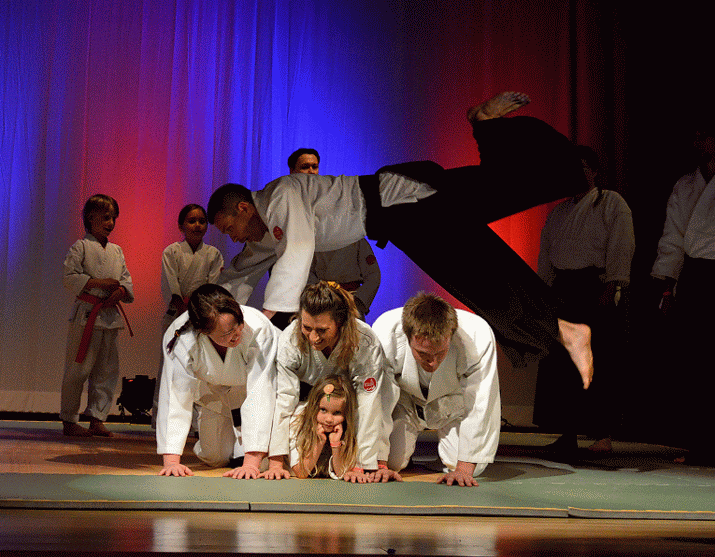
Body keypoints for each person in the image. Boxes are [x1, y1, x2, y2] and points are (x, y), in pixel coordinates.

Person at [208, 91, 594, 391]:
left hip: (400, 201)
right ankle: (485, 124)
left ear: (243, 208)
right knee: (504, 189)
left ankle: (564, 327)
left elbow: (297, 248)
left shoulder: (281, 194)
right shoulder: (262, 234)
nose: (233, 238)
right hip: (404, 211)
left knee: (477, 263)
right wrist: (205, 310)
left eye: (229, 228)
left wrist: (274, 314)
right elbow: (238, 274)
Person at [535, 145, 635, 457]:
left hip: (595, 286)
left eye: (581, 168)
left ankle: (602, 435)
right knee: (563, 366)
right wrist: (542, 291)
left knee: (596, 361)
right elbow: (547, 255)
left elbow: (622, 246)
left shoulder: (611, 203)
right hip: (563, 290)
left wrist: (612, 286)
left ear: (593, 171)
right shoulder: (559, 212)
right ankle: (567, 434)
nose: (576, 175)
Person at [218, 148, 382, 326]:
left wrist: (357, 304)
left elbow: (297, 250)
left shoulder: (284, 197)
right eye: (304, 167)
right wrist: (214, 308)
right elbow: (242, 271)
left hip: (380, 200)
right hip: (311, 301)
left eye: (230, 229)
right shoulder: (275, 211)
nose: (310, 173)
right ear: (293, 173)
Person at [265, 281, 399, 483]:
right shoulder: (290, 340)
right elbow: (284, 398)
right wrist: (275, 461)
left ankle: (376, 460)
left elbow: (368, 403)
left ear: (342, 322)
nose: (313, 337)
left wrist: (364, 464)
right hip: (308, 407)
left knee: (398, 459)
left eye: (322, 330)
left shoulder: (364, 342)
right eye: (307, 327)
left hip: (349, 408)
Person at [373, 293, 501, 487]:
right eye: (422, 353)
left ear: (451, 335)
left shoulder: (477, 336)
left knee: (473, 465)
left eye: (440, 352)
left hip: (453, 405)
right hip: (406, 402)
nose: (432, 362)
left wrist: (463, 470)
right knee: (393, 461)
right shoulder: (386, 332)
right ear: (408, 337)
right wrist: (380, 464)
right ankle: (400, 453)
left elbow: (481, 401)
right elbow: (380, 399)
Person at [156, 283, 279, 478]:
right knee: (214, 457)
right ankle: (235, 443)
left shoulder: (258, 328)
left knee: (259, 462)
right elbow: (176, 396)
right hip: (213, 394)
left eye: (237, 324)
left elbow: (261, 391)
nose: (236, 333)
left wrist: (251, 463)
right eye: (226, 333)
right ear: (204, 332)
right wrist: (171, 462)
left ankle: (247, 450)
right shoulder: (181, 337)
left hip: (250, 391)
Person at [651, 118, 715, 466]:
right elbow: (673, 235)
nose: (706, 142)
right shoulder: (687, 184)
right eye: (704, 137)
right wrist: (667, 283)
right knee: (696, 361)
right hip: (697, 275)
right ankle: (700, 443)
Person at [61, 194, 133, 438]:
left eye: (113, 217)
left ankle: (97, 418)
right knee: (78, 369)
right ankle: (70, 420)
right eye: (105, 217)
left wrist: (120, 291)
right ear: (90, 217)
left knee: (106, 371)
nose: (110, 222)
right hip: (86, 315)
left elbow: (126, 280)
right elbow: (70, 278)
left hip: (110, 317)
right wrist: (101, 283)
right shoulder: (80, 247)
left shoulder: (117, 250)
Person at [153, 204, 224, 418]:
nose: (198, 225)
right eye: (192, 221)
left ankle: (197, 422)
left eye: (202, 221)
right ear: (181, 225)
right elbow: (170, 285)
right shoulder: (172, 252)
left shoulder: (213, 254)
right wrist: (183, 307)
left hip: (202, 318)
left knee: (200, 369)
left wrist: (198, 311)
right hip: (176, 315)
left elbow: (212, 288)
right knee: (170, 367)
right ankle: (162, 419)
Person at [290, 374, 361, 479]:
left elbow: (342, 474)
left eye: (337, 413)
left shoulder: (347, 431)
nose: (329, 419)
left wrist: (336, 445)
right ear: (314, 406)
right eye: (323, 410)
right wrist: (319, 443)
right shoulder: (298, 422)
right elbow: (301, 472)